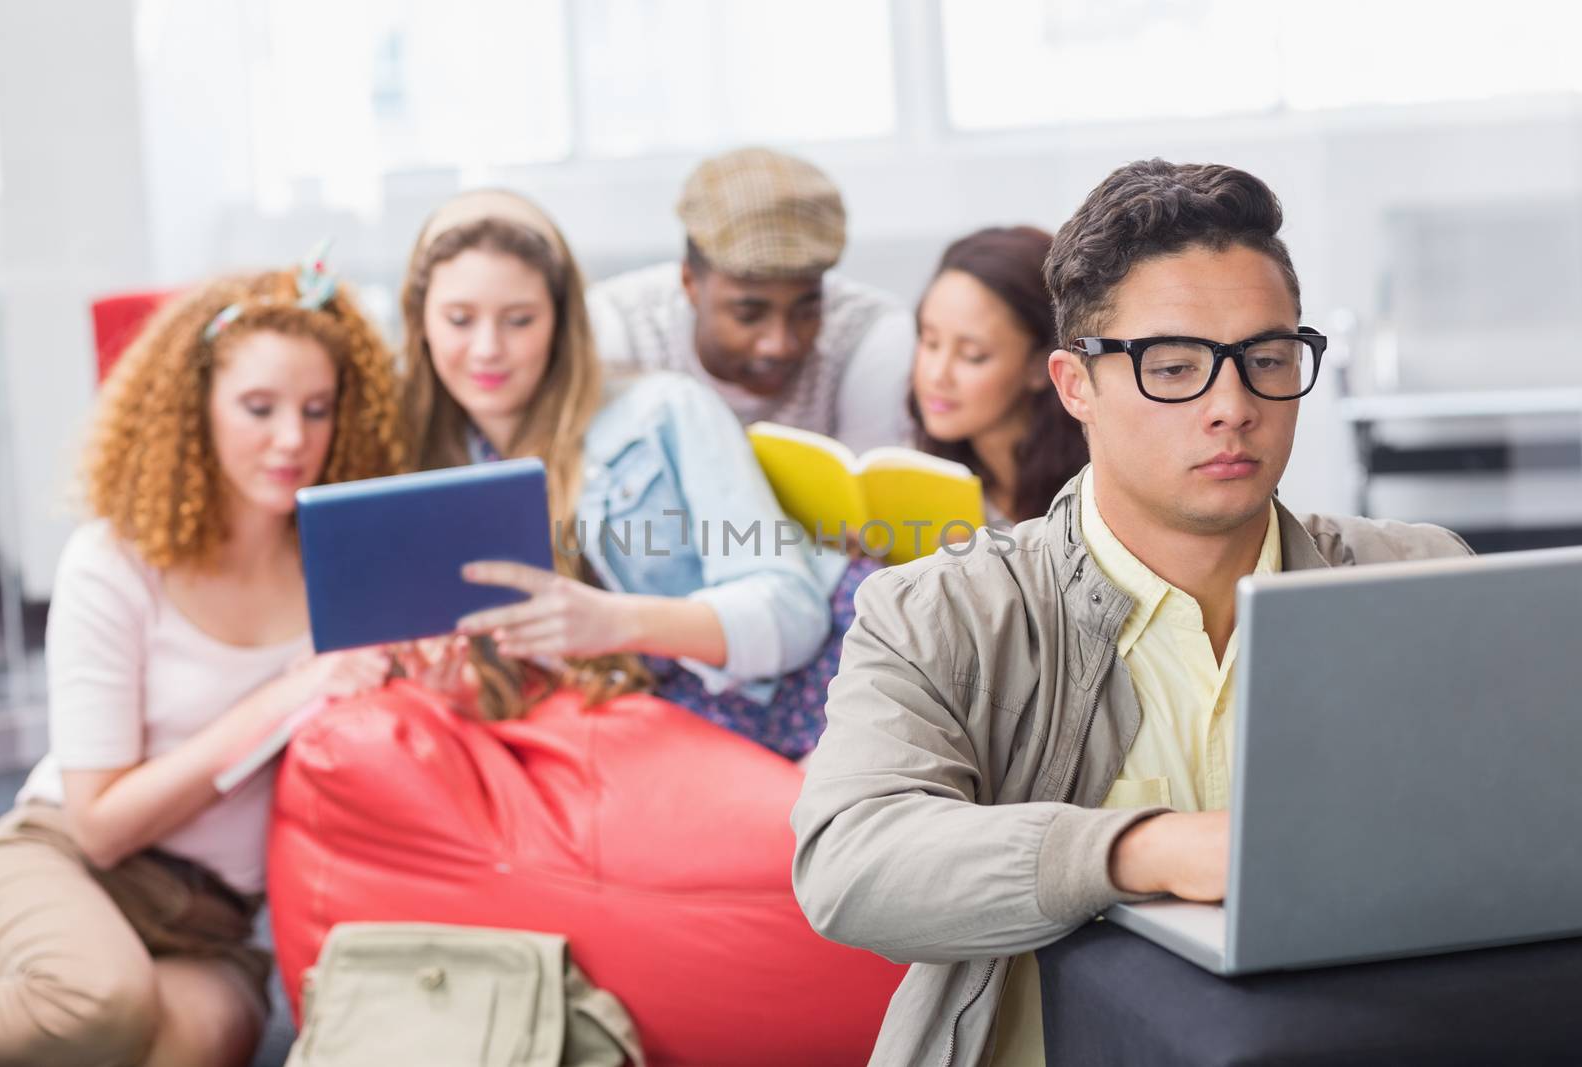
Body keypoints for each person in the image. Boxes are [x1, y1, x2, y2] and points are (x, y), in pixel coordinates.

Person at [790, 160, 1473, 1066]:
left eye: (1266, 360)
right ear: (1076, 386)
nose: (1232, 407)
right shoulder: (937, 611)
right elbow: (854, 864)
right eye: (1175, 366)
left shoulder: (1414, 578)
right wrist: (1141, 851)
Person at [0, 255, 405, 1066]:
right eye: (258, 407)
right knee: (98, 1003)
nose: (293, 439)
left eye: (318, 410)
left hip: (212, 926)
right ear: (195, 410)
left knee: (165, 1044)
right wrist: (287, 694)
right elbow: (99, 826)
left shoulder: (344, 568)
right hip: (67, 863)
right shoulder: (114, 561)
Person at [399, 188, 873, 759]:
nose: (487, 350)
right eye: (459, 319)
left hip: (828, 678)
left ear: (560, 322)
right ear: (420, 322)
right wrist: (458, 693)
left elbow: (790, 613)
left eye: (519, 320)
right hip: (664, 733)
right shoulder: (437, 469)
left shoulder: (661, 412)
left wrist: (618, 622)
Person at [588, 146, 915, 453]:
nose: (779, 345)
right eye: (748, 314)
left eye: (807, 311)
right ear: (689, 283)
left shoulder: (868, 331)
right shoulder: (617, 325)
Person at [909, 226, 1088, 526]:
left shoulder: (1090, 495)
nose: (937, 375)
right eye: (930, 342)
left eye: (972, 356)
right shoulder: (918, 471)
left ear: (1040, 365)